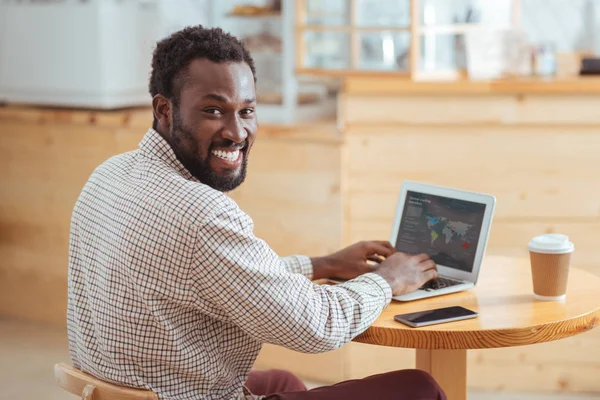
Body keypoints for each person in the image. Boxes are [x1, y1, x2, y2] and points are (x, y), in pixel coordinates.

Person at [66, 25, 445, 400]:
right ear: (164, 109)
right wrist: (388, 279)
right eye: (214, 110)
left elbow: (212, 276)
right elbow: (317, 327)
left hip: (127, 385)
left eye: (247, 110)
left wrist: (322, 265)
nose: (237, 132)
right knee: (420, 388)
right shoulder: (201, 214)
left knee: (280, 381)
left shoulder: (108, 175)